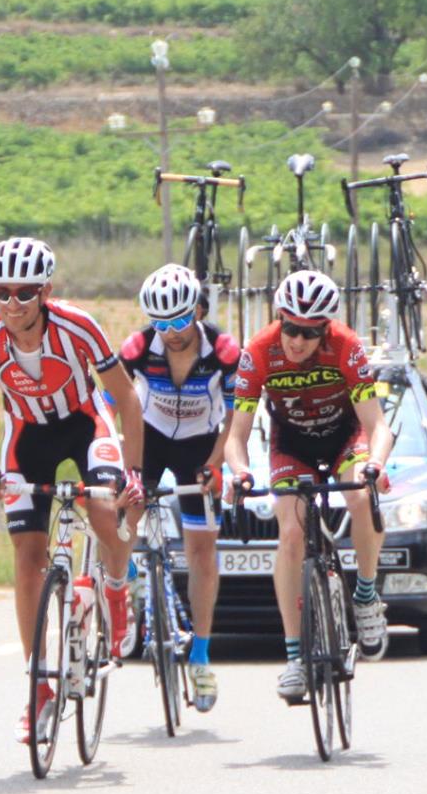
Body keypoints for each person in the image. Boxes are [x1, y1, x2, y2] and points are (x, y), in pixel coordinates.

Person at [0, 236, 144, 744]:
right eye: (1, 292)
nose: (11, 304)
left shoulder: (78, 327)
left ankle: (115, 587)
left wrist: (132, 474)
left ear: (46, 290)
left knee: (100, 506)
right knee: (28, 557)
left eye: (24, 293)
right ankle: (39, 687)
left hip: (84, 423)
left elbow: (126, 400)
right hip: (26, 435)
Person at [224, 269, 396, 703]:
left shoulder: (347, 347)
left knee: (359, 494)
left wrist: (375, 462)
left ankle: (367, 596)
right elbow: (237, 436)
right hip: (291, 443)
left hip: (345, 437)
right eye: (290, 328)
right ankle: (295, 657)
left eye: (310, 332)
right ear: (278, 319)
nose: (297, 341)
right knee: (291, 532)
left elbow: (377, 425)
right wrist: (240, 472)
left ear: (326, 329)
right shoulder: (258, 351)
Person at [115, 264, 237, 711]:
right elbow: (112, 404)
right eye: (161, 323)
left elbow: (238, 416)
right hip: (148, 436)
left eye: (181, 321)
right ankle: (128, 583)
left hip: (200, 447)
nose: (171, 332)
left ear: (198, 311)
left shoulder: (224, 351)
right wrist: (124, 464)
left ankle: (201, 657)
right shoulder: (136, 348)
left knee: (202, 551)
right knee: (124, 514)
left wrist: (216, 463)